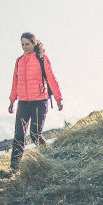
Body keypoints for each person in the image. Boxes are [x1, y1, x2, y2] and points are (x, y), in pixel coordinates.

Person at [8, 32, 63, 173]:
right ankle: (14, 169)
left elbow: (51, 78)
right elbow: (15, 80)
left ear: (34, 43)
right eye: (22, 44)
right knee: (18, 136)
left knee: (35, 133)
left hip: (40, 102)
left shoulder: (41, 58)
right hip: (23, 103)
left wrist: (58, 99)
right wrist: (12, 100)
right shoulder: (19, 60)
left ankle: (49, 157)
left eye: (27, 44)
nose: (24, 47)